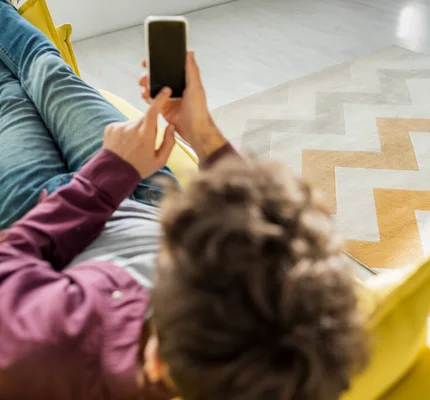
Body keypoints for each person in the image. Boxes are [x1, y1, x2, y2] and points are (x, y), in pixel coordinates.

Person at [0, 2, 367, 400]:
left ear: (156, 363)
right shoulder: (293, 328)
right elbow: (261, 230)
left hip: (42, 212)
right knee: (48, 70)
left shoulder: (42, 353)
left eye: (171, 252)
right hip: (144, 192)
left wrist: (109, 174)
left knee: (14, 87)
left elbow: (12, 258)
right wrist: (200, 130)